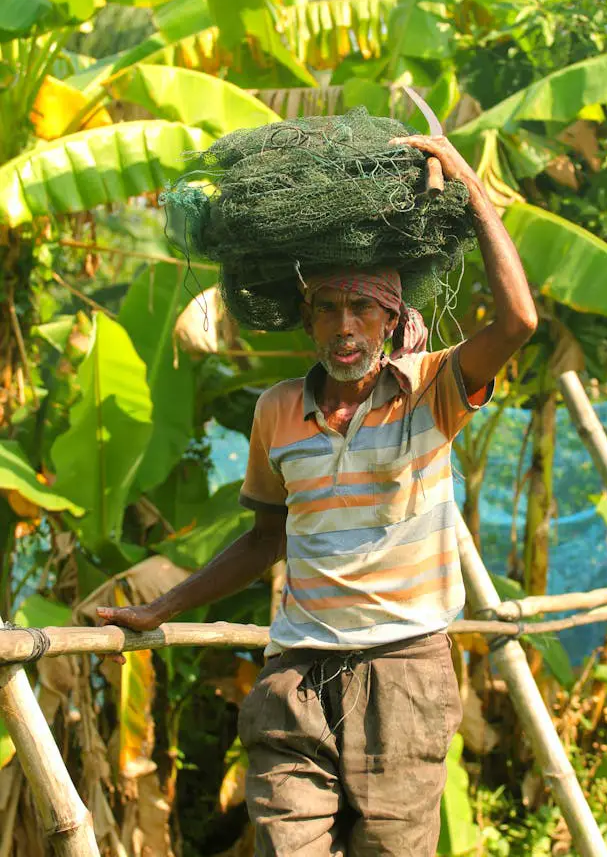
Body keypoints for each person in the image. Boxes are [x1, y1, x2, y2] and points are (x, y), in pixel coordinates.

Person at [98, 136, 538, 856]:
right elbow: (264, 539)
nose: (345, 326)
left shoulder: (432, 392)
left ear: (392, 320)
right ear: (306, 320)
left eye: (363, 307)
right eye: (328, 307)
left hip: (403, 674)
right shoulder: (276, 411)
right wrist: (162, 606)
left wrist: (466, 184)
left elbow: (518, 321)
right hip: (295, 677)